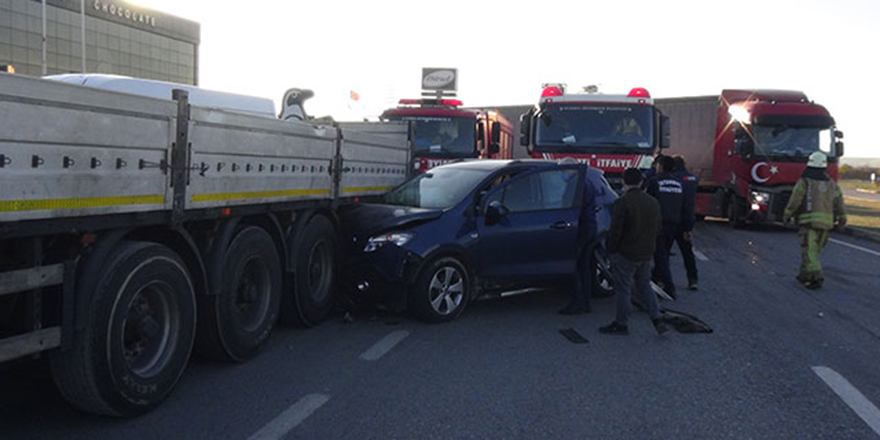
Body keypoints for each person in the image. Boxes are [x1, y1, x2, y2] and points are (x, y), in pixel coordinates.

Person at [599, 168, 669, 336]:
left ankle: (621, 323)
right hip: (645, 252)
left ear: (624, 181)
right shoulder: (653, 202)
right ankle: (657, 317)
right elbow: (658, 228)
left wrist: (611, 250)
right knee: (644, 285)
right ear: (641, 181)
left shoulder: (622, 202)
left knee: (623, 289)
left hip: (626, 253)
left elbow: (616, 230)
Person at [783, 152, 847, 289]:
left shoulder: (805, 182)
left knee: (809, 251)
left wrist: (787, 214)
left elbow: (795, 199)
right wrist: (842, 218)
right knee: (814, 252)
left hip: (808, 223)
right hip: (826, 224)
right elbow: (839, 202)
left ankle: (816, 276)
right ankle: (804, 275)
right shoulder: (831, 184)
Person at [560, 166, 602, 315]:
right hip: (591, 226)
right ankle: (585, 301)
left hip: (581, 228)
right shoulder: (588, 182)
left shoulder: (576, 185)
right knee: (585, 266)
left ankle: (577, 302)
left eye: (563, 172)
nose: (562, 175)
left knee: (575, 266)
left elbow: (569, 205)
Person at [646, 156, 685, 298]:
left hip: (658, 223)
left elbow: (648, 203)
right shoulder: (678, 183)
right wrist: (686, 226)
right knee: (663, 254)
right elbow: (684, 205)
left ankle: (669, 287)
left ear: (660, 166)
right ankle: (654, 281)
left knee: (660, 256)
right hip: (673, 224)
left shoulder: (654, 182)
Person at [672, 155, 699, 290]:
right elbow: (689, 204)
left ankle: (659, 278)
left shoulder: (672, 179)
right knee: (687, 252)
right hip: (685, 221)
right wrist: (689, 227)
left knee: (663, 251)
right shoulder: (692, 179)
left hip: (671, 221)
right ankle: (693, 279)